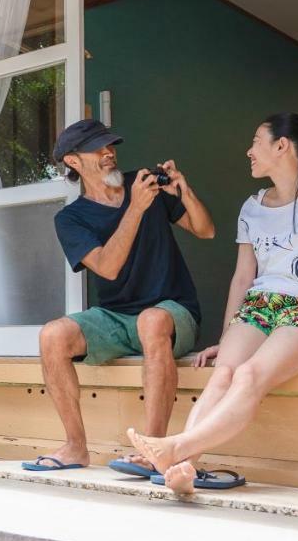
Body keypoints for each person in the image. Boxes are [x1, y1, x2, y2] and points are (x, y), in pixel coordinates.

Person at [129, 113, 298, 493]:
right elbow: (243, 277)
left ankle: (177, 449)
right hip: (260, 306)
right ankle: (184, 468)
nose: (249, 151)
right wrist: (226, 333)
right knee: (223, 374)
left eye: (256, 142)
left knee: (249, 375)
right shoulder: (252, 207)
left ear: (282, 146)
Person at [24, 119, 215, 473]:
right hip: (116, 317)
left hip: (171, 313)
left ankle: (155, 447)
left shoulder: (143, 187)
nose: (109, 153)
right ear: (73, 161)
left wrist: (184, 191)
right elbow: (108, 267)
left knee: (151, 320)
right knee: (52, 335)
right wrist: (136, 209)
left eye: (110, 146)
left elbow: (206, 230)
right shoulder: (71, 219)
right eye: (97, 149)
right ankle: (76, 446)